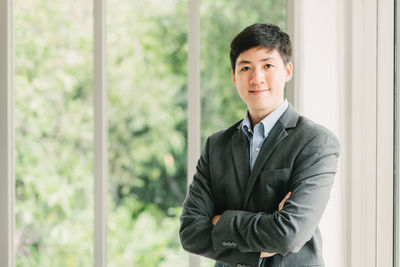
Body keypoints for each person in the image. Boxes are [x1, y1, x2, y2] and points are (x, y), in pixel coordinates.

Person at [179, 23, 340, 267]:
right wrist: (266, 232)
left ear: (287, 71)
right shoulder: (216, 146)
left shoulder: (316, 142)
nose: (257, 78)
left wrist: (220, 222)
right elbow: (190, 233)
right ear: (234, 76)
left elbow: (288, 235)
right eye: (246, 67)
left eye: (268, 65)